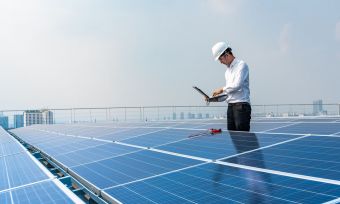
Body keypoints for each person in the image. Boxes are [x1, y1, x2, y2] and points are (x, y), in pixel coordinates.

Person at [211, 41, 251, 131]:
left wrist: (221, 89)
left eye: (220, 59)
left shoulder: (241, 65)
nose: (220, 62)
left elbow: (237, 85)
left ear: (226, 54)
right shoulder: (227, 72)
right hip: (231, 108)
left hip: (241, 107)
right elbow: (228, 93)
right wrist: (214, 99)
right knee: (233, 138)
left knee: (243, 139)